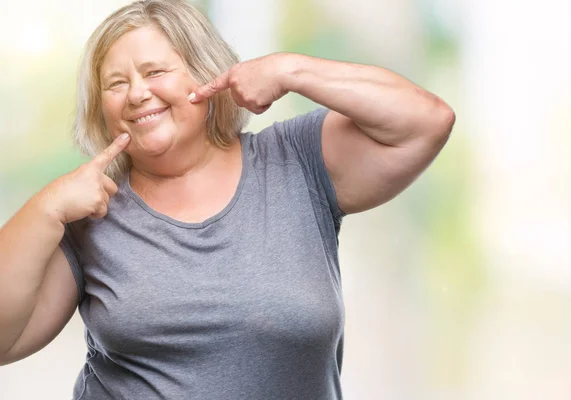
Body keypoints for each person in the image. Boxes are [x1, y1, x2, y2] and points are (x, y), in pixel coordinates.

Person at [0, 0, 455, 398]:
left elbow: (425, 121)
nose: (138, 93)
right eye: (116, 83)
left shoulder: (296, 160)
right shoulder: (91, 213)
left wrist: (290, 69)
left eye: (156, 71)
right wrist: (46, 208)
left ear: (206, 74)